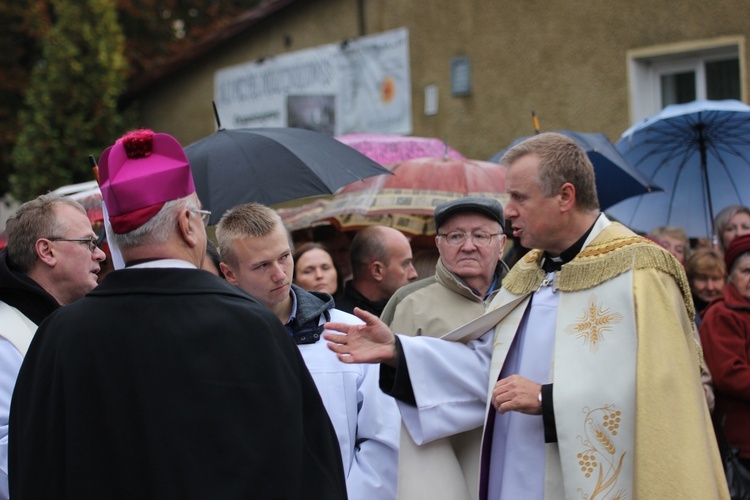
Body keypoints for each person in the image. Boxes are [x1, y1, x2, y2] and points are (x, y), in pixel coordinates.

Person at [325, 132, 729, 499]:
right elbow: (489, 366)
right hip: (513, 470)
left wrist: (547, 399)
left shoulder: (640, 271)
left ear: (565, 197)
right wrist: (400, 351)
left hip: (591, 476)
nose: (508, 211)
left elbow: (664, 391)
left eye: (519, 197)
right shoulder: (528, 273)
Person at [9, 130, 347, 499]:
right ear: (188, 224)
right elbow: (311, 472)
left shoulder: (59, 337)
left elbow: (33, 473)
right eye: (201, 216)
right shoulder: (252, 327)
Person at [216, 203, 399, 499]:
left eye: (285, 257)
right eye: (262, 265)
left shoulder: (349, 332)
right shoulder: (211, 345)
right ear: (229, 273)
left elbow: (383, 440)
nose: (279, 274)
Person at [379, 196, 509, 500]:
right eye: (455, 236)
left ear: (502, 243)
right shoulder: (410, 302)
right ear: (438, 244)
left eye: (481, 235)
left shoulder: (525, 297)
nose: (468, 245)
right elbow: (386, 400)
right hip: (439, 458)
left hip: (513, 453)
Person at [0, 194, 105, 500]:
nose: (99, 254)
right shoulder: (6, 337)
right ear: (46, 251)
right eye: (87, 242)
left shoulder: (70, 320)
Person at [700, 233, 750, 472]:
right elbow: (729, 374)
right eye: (746, 271)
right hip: (741, 441)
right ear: (731, 275)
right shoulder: (723, 314)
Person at [337, 226, 418, 316]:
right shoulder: (340, 321)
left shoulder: (407, 312)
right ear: (377, 271)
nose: (414, 274)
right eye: (405, 264)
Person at [686, 248, 727, 320]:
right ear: (690, 280)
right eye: (702, 279)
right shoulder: (683, 312)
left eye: (715, 279)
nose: (710, 287)